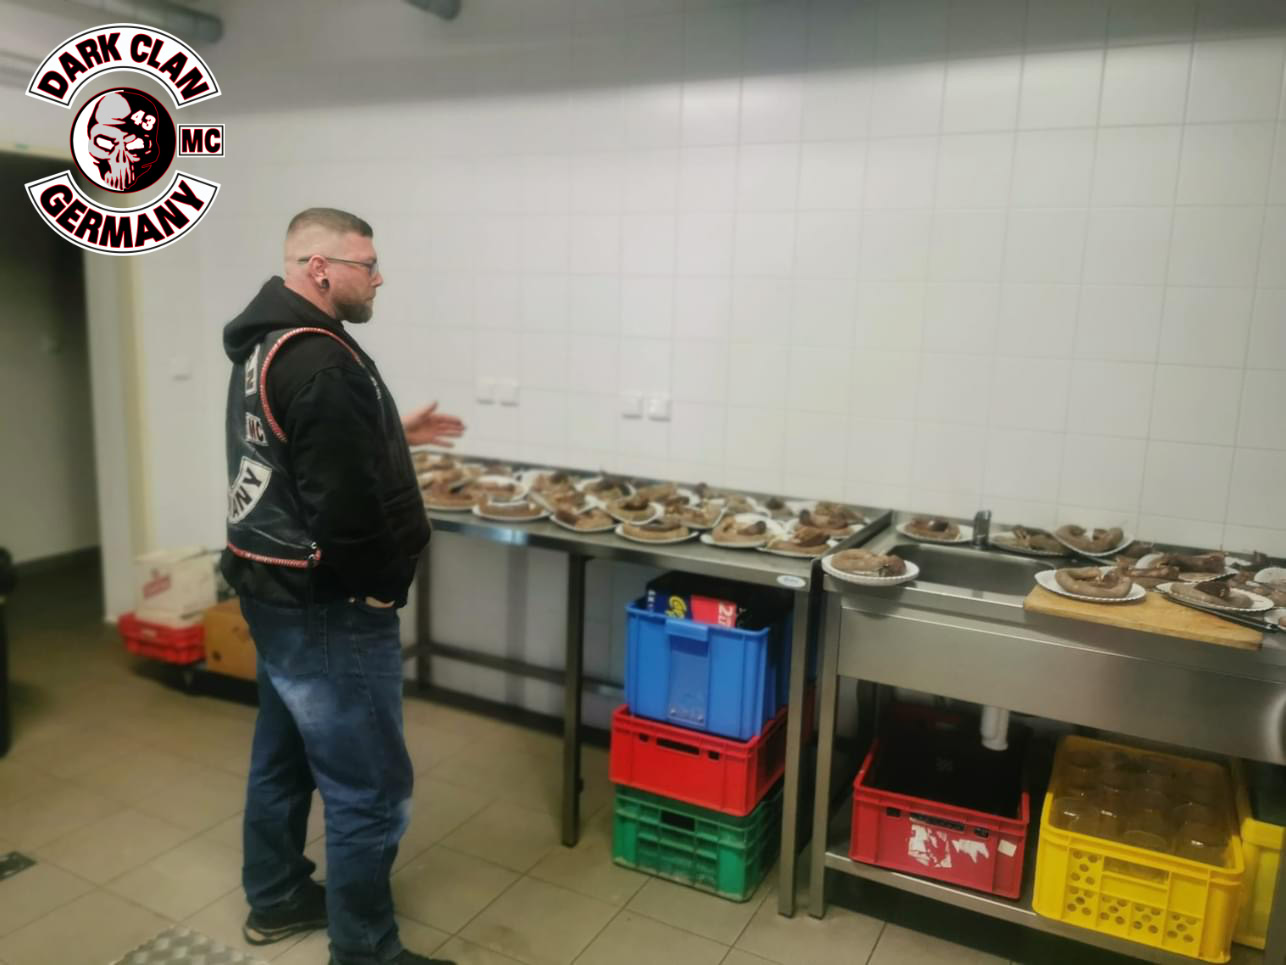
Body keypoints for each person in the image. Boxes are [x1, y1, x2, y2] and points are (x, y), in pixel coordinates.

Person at [221, 207, 463, 965]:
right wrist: (381, 590)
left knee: (284, 756)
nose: (379, 277)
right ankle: (364, 950)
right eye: (367, 264)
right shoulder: (321, 362)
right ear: (320, 269)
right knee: (371, 788)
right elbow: (346, 512)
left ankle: (276, 896)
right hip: (329, 607)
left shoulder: (268, 343)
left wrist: (392, 432)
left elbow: (296, 449)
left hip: (272, 591)